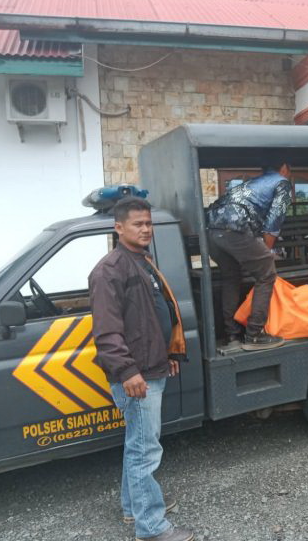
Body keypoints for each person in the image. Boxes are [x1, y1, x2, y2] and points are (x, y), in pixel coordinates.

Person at [89, 197, 194, 541]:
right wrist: (128, 371)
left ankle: (132, 509)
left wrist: (169, 356)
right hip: (137, 376)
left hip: (152, 367)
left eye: (148, 223)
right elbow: (107, 332)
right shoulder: (109, 271)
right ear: (118, 228)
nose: (146, 229)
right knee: (144, 450)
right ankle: (152, 527)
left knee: (138, 445)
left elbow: (153, 317)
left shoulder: (141, 262)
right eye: (138, 224)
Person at [206, 162, 292, 351]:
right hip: (235, 229)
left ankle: (232, 335)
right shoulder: (282, 183)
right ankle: (254, 334)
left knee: (231, 276)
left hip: (212, 232)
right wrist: (265, 254)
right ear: (284, 167)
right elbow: (273, 223)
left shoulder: (253, 182)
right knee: (267, 274)